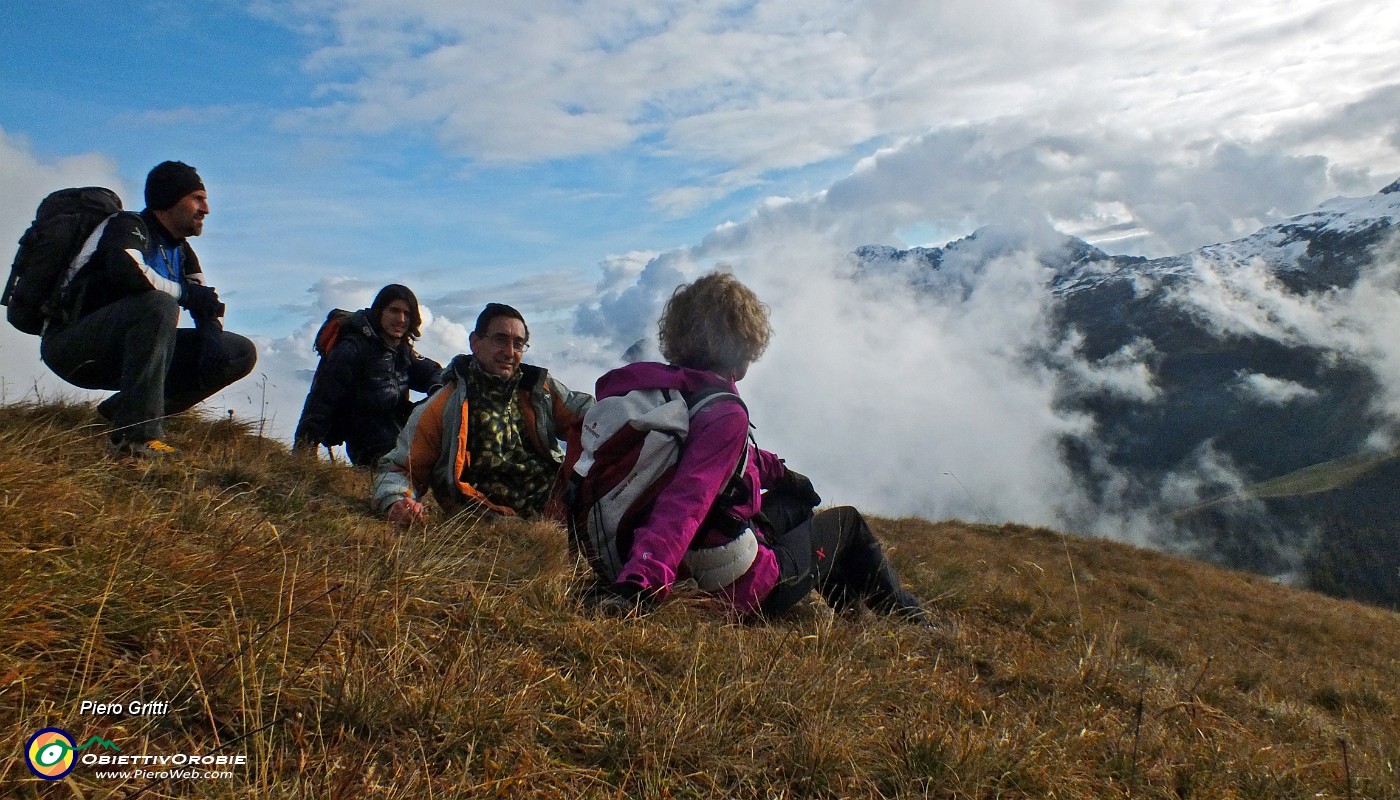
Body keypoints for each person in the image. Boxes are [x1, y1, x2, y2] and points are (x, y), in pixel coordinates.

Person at [576, 271, 929, 624]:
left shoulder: (669, 391)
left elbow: (716, 455)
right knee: (847, 524)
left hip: (658, 553)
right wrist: (641, 584)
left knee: (795, 505)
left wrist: (781, 474)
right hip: (729, 588)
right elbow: (687, 500)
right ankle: (912, 621)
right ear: (740, 343)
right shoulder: (723, 410)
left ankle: (853, 614)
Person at [40, 161, 257, 457]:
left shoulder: (181, 251)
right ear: (168, 199)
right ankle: (136, 436)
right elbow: (129, 271)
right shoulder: (128, 226)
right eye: (197, 198)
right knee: (158, 305)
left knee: (239, 351)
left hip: (134, 351)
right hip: (72, 347)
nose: (206, 209)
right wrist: (185, 295)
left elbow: (204, 300)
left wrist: (212, 337)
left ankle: (123, 410)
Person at [371, 302, 594, 523]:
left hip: (563, 505)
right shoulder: (446, 404)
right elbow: (402, 467)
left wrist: (621, 409)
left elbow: (588, 417)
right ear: (475, 342)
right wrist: (396, 501)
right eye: (500, 339)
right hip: (492, 520)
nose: (509, 352)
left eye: (518, 344)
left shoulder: (538, 388)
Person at [294, 284, 443, 466]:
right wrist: (304, 451)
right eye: (394, 311)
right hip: (368, 446)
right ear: (379, 311)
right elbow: (321, 401)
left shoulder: (401, 350)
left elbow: (434, 373)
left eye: (407, 313)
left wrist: (438, 391)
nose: (401, 319)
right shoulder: (351, 350)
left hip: (401, 435)